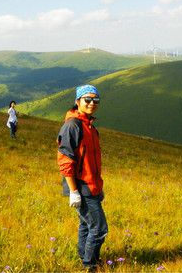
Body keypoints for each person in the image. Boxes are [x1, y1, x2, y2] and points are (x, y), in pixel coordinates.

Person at [57, 84, 107, 270]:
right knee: (99, 228)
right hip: (81, 186)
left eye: (96, 100)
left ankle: (83, 256)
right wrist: (73, 191)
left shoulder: (90, 127)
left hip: (92, 185)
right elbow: (65, 160)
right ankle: (90, 265)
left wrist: (99, 186)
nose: (92, 103)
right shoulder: (72, 126)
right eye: (87, 99)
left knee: (86, 225)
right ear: (78, 101)